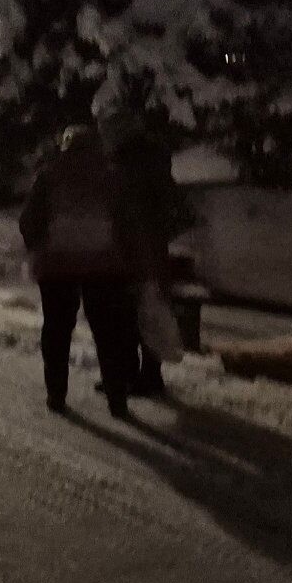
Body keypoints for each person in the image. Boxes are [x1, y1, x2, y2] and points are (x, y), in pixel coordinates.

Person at [19, 125, 143, 417]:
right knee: (108, 334)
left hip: (57, 267)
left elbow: (28, 222)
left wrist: (39, 245)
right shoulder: (111, 179)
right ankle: (117, 399)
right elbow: (127, 224)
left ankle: (57, 396)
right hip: (103, 267)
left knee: (57, 331)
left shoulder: (49, 177)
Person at [106, 121, 185, 397]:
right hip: (153, 254)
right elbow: (179, 212)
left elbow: (113, 215)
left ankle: (128, 375)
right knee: (149, 313)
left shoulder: (123, 172)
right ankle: (150, 376)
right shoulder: (159, 171)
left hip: (127, 255)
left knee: (124, 317)